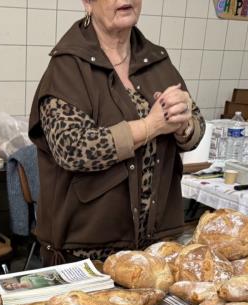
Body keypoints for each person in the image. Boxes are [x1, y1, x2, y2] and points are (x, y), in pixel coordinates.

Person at [29, 0, 206, 265]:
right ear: (88, 3)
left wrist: (184, 125)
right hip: (88, 250)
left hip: (157, 246)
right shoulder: (68, 67)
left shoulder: (156, 60)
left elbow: (196, 124)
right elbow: (72, 149)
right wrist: (150, 126)